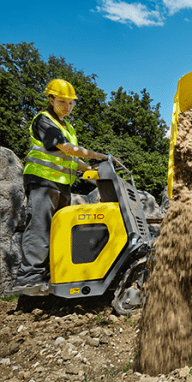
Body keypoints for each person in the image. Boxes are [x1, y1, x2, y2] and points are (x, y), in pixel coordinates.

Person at [12, 79, 109, 292]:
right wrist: (100, 156)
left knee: (61, 230)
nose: (68, 106)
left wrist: (96, 172)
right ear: (51, 99)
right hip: (43, 181)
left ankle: (55, 272)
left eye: (71, 103)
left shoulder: (68, 128)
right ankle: (30, 276)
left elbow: (73, 159)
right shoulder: (44, 121)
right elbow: (66, 149)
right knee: (40, 227)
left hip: (62, 184)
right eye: (63, 101)